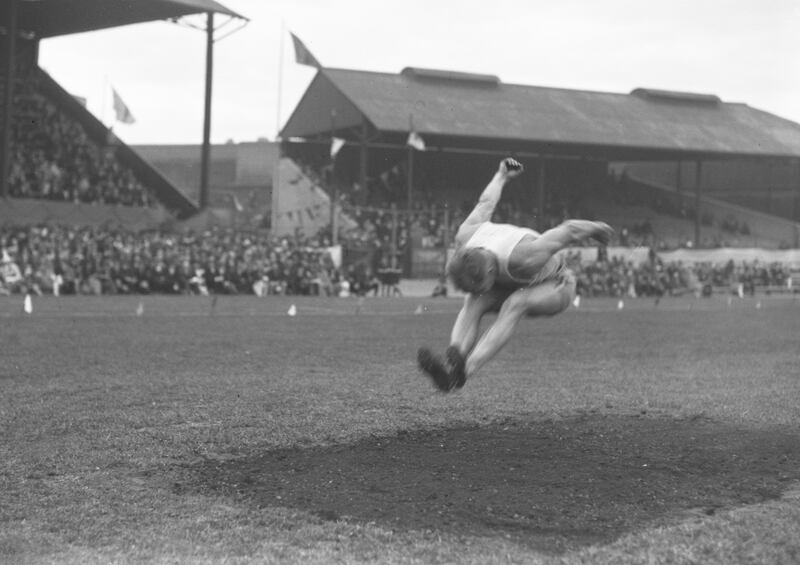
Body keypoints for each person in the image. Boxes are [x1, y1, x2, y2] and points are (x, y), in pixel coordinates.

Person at [418, 158, 614, 392]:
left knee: (515, 303)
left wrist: (597, 228)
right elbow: (485, 203)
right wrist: (500, 175)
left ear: (491, 270)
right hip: (514, 282)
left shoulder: (526, 256)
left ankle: (464, 372)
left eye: (481, 284)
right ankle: (454, 359)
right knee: (473, 301)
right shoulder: (466, 237)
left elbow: (570, 229)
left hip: (557, 285)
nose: (482, 290)